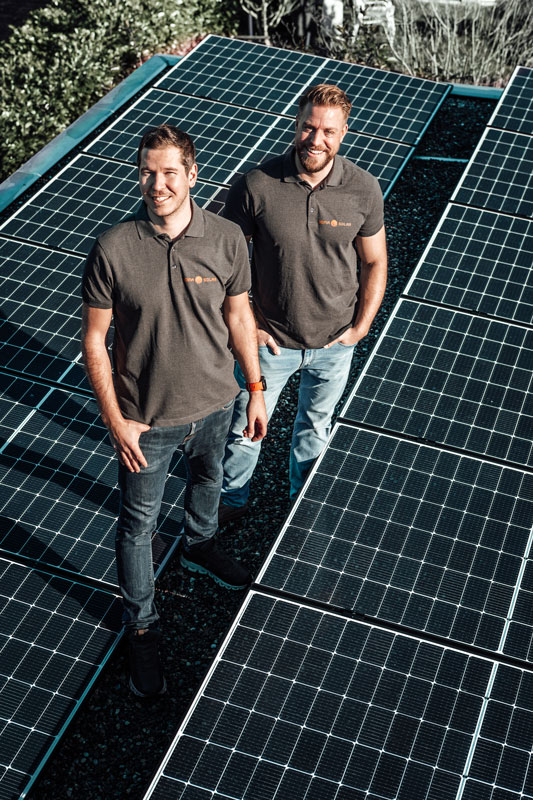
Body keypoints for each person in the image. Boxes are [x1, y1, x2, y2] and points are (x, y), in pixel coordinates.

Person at [81, 124, 267, 697]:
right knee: (137, 529)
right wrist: (117, 422)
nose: (157, 184)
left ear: (192, 176)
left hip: (216, 402)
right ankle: (142, 627)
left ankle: (201, 543)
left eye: (169, 173)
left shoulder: (227, 239)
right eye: (148, 171)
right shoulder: (114, 248)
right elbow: (94, 342)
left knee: (209, 478)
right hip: (147, 423)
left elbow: (239, 317)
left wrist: (255, 387)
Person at [219, 84, 387, 523]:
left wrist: (362, 325)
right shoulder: (257, 185)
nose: (316, 140)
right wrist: (251, 323)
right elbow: (223, 262)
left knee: (315, 430)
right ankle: (230, 503)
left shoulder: (362, 190)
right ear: (296, 124)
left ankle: (300, 510)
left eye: (328, 131)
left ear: (345, 132)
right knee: (244, 432)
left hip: (335, 345)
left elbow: (374, 261)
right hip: (270, 343)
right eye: (309, 127)